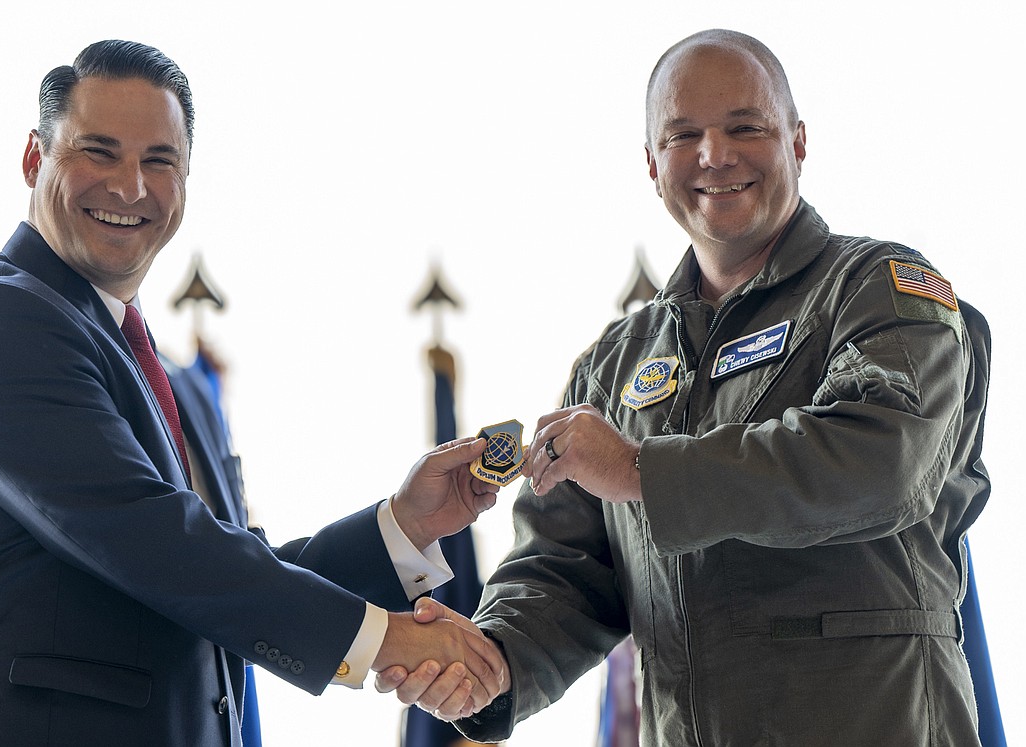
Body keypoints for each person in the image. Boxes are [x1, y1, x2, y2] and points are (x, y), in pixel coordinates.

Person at [377, 28, 992, 745]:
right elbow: (566, 571)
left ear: (798, 141)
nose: (714, 155)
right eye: (683, 134)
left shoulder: (881, 293)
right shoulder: (613, 364)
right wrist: (494, 662)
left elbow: (883, 464)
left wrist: (642, 469)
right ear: (651, 163)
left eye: (745, 127)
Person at [0, 40, 507, 746]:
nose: (131, 187)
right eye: (99, 151)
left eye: (160, 160)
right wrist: (393, 640)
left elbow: (224, 574)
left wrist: (402, 525)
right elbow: (157, 543)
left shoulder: (166, 377)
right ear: (35, 158)